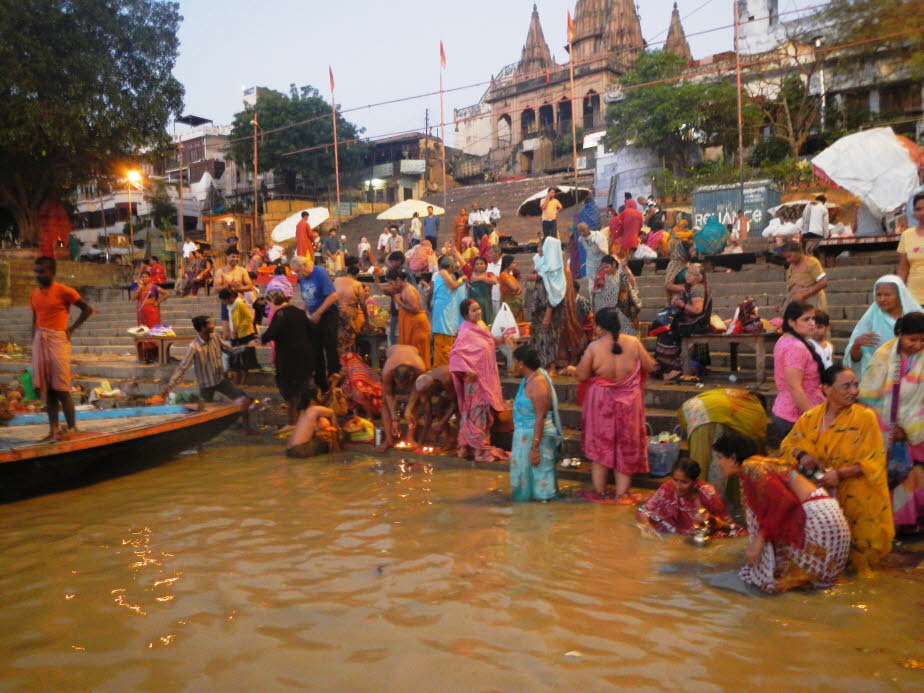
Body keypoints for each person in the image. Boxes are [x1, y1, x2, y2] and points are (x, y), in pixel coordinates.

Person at [780, 365, 894, 575]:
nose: (854, 391)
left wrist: (840, 474)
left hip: (858, 499)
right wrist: (803, 455)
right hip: (823, 499)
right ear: (826, 388)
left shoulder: (865, 418)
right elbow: (788, 445)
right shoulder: (811, 418)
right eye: (846, 386)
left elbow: (874, 460)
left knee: (861, 562)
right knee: (825, 557)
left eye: (855, 385)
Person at [712, 432, 850, 593]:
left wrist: (758, 542)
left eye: (721, 457)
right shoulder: (764, 464)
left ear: (733, 457)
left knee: (768, 585)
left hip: (816, 523)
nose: (718, 463)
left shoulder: (751, 468)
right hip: (830, 521)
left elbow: (784, 503)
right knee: (809, 592)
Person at [577, 307, 655, 501]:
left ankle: (600, 493)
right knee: (626, 445)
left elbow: (582, 375)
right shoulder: (634, 343)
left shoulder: (594, 347)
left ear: (600, 327)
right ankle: (622, 495)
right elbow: (650, 366)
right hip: (629, 401)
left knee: (600, 447)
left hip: (601, 402)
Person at [859, 311, 924, 533]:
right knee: (897, 476)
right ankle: (895, 524)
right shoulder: (884, 356)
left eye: (922, 340)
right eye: (912, 339)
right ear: (899, 334)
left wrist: (911, 427)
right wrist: (890, 429)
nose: (917, 345)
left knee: (916, 475)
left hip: (918, 427)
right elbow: (870, 396)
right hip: (887, 426)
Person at [30, 256, 94, 441]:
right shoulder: (34, 294)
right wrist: (32, 343)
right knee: (48, 389)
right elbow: (34, 319)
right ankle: (52, 430)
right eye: (36, 272)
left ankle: (72, 428)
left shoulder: (64, 291)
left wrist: (71, 329)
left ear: (52, 272)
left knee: (62, 388)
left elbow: (86, 309)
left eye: (41, 272)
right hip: (40, 340)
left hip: (58, 339)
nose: (38, 275)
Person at [161, 315, 252, 429]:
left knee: (244, 399)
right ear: (202, 328)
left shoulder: (215, 337)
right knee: (203, 414)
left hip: (221, 380)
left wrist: (247, 347)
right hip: (205, 386)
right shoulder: (194, 346)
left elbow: (230, 351)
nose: (213, 325)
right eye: (209, 324)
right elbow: (182, 367)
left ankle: (247, 427)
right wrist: (170, 385)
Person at [449, 299, 511, 462]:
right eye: (474, 310)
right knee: (476, 414)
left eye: (478, 308)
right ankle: (477, 450)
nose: (478, 312)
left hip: (487, 377)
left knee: (483, 414)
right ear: (465, 315)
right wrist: (467, 371)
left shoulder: (481, 326)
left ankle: (469, 448)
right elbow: (456, 354)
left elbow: (490, 340)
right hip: (475, 381)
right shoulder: (465, 332)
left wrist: (503, 339)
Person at [679, 388, 768, 499]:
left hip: (691, 408)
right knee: (710, 465)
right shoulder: (756, 408)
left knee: (699, 459)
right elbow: (757, 437)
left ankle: (692, 498)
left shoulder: (736, 394)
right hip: (710, 417)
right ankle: (708, 500)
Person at [509, 344, 562, 502]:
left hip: (538, 438)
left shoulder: (538, 384)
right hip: (525, 435)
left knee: (542, 488)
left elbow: (541, 417)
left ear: (521, 363)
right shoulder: (527, 380)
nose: (512, 365)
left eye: (514, 361)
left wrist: (534, 449)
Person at [769, 301, 826, 447]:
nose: (812, 323)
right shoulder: (795, 347)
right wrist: (812, 419)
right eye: (806, 319)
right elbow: (795, 388)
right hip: (794, 417)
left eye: (813, 318)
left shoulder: (785, 339)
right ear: (791, 322)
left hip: (787, 411)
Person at [844, 275, 921, 378]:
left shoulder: (917, 317)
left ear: (900, 295)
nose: (882, 299)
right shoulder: (870, 319)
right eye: (878, 295)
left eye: (887, 295)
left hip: (915, 375)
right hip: (879, 378)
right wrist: (856, 346)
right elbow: (855, 359)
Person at [637, 460, 738, 535]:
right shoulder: (667, 487)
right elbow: (643, 510)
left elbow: (731, 528)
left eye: (684, 482)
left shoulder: (708, 494)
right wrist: (646, 526)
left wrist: (712, 520)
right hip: (673, 531)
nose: (678, 486)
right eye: (675, 480)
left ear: (695, 482)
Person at [259, 290, 313, 427]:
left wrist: (261, 339)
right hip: (305, 356)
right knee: (302, 389)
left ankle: (293, 423)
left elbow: (271, 333)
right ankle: (304, 423)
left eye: (269, 304)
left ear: (272, 302)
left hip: (288, 358)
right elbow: (311, 330)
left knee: (290, 393)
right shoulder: (299, 312)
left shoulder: (280, 314)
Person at [654, 263, 712, 380]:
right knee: (663, 328)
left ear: (698, 277)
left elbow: (697, 310)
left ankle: (676, 368)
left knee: (670, 332)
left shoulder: (697, 289)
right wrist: (677, 301)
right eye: (688, 272)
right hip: (690, 321)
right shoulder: (690, 288)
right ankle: (668, 366)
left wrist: (681, 304)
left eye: (692, 273)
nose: (688, 275)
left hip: (697, 324)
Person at [291, 255, 339, 392]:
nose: (298, 275)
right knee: (315, 348)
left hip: (328, 314)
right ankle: (320, 382)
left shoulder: (319, 273)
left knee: (330, 346)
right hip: (313, 315)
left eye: (298, 271)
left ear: (304, 266)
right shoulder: (302, 278)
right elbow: (307, 297)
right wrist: (301, 311)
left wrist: (318, 313)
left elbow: (333, 296)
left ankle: (333, 378)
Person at [378, 345, 427, 450]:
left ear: (411, 376)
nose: (401, 388)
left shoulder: (420, 369)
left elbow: (416, 391)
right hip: (393, 352)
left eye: (404, 385)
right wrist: (395, 419)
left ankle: (410, 437)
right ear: (393, 376)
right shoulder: (387, 371)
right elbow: (389, 395)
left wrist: (408, 410)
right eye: (398, 384)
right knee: (385, 403)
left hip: (414, 352)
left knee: (417, 402)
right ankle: (389, 440)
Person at [404, 365, 457, 450]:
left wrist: (441, 423)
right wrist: (421, 444)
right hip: (445, 389)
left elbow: (456, 404)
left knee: (460, 414)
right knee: (438, 409)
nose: (426, 396)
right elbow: (428, 415)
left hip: (462, 387)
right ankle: (451, 440)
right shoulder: (424, 383)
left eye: (427, 393)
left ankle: (463, 446)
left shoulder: (446, 380)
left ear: (433, 386)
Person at [388, 267, 431, 370]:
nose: (392, 286)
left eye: (391, 283)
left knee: (417, 355)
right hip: (412, 327)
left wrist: (400, 302)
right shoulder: (404, 289)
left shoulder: (408, 290)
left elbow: (415, 308)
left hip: (416, 328)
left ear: (398, 280)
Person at [592, 255, 641, 336]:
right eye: (603, 268)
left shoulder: (622, 274)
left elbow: (632, 285)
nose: (605, 270)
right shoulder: (602, 277)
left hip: (623, 315)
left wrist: (625, 268)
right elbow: (597, 297)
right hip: (608, 317)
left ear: (614, 264)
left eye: (607, 267)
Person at [431, 255, 466, 367]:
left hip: (445, 308)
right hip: (442, 309)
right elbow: (452, 286)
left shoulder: (446, 274)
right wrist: (462, 279)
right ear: (449, 266)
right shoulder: (443, 272)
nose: (454, 268)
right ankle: (442, 368)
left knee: (448, 335)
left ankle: (447, 366)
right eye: (453, 266)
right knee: (443, 334)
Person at [219, 288, 260, 384]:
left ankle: (244, 381)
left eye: (224, 300)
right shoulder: (230, 306)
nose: (223, 302)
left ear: (229, 298)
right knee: (235, 359)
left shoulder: (239, 304)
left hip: (245, 335)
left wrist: (238, 328)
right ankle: (237, 381)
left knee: (244, 359)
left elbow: (249, 318)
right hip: (236, 335)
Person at [214, 247, 254, 337]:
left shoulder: (242, 270)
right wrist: (229, 285)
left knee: (241, 331)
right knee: (227, 333)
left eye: (237, 257)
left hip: (240, 302)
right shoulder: (220, 272)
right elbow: (216, 289)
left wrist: (239, 289)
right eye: (233, 257)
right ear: (227, 257)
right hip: (226, 304)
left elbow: (250, 286)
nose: (235, 259)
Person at [780, 241, 828, 313]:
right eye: (786, 258)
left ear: (798, 252)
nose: (788, 260)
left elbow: (823, 282)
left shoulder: (812, 262)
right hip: (796, 302)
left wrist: (803, 295)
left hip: (812, 300)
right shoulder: (791, 267)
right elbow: (791, 286)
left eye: (790, 256)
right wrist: (784, 299)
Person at [134, 270, 170, 364]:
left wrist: (158, 302)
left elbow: (167, 293)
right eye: (143, 277)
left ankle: (156, 355)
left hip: (152, 314)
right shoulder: (140, 288)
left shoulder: (154, 287)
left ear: (150, 278)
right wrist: (139, 289)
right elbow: (133, 298)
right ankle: (146, 356)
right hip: (141, 315)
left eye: (146, 277)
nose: (144, 278)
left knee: (153, 332)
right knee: (143, 333)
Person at [334, 263, 368, 353]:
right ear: (357, 275)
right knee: (349, 338)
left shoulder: (336, 280)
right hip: (349, 314)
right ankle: (350, 361)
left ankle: (340, 362)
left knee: (339, 337)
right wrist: (367, 319)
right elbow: (362, 303)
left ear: (347, 272)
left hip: (336, 312)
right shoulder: (357, 284)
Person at [897, 192, 924, 304]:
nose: (922, 212)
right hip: (914, 299)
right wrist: (897, 293)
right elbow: (903, 269)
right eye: (918, 209)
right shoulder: (907, 235)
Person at [339, 351, 383, 419]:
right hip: (366, 398)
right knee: (346, 390)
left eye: (343, 365)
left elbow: (359, 390)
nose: (342, 368)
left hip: (375, 401)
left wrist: (348, 395)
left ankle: (369, 415)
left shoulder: (357, 372)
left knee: (358, 394)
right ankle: (357, 414)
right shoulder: (351, 371)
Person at [467, 256, 497, 328]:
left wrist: (479, 278)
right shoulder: (470, 274)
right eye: (477, 264)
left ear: (486, 265)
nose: (479, 265)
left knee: (487, 325)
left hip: (486, 305)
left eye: (481, 263)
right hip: (472, 306)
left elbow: (494, 281)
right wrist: (485, 279)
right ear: (474, 265)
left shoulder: (489, 274)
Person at [499, 255, 524, 322]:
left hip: (514, 302)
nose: (515, 264)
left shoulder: (510, 276)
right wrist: (517, 290)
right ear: (507, 264)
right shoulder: (503, 275)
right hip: (509, 303)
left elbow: (520, 290)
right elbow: (515, 287)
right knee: (511, 322)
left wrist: (517, 290)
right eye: (513, 262)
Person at [485, 245, 503, 317]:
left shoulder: (503, 264)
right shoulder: (488, 266)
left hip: (500, 297)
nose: (489, 255)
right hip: (490, 297)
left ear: (498, 253)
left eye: (491, 253)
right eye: (488, 253)